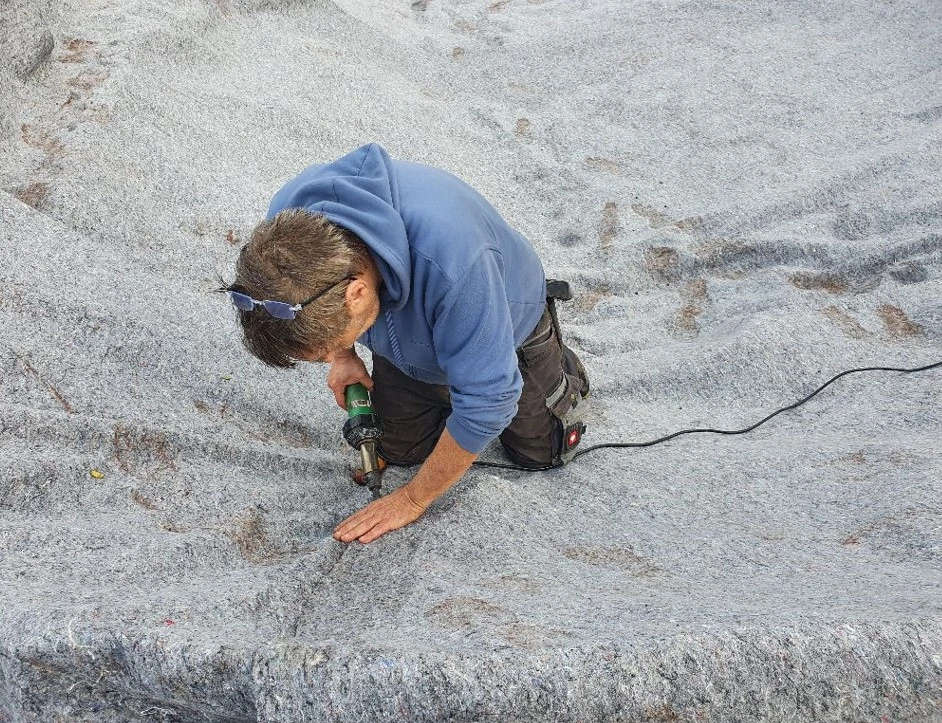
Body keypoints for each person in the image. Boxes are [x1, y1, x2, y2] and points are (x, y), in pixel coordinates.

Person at [223, 143, 588, 544]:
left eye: (326, 348)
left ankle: (558, 368)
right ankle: (450, 373)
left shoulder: (455, 262)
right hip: (403, 341)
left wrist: (412, 500)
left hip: (509, 319)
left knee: (543, 455)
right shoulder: (285, 232)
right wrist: (343, 356)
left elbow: (490, 403)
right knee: (401, 452)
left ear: (357, 294)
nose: (327, 358)